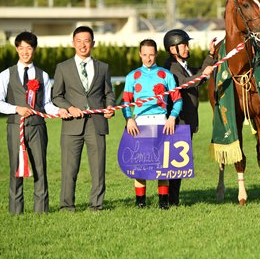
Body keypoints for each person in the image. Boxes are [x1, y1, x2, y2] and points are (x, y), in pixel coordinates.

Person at [0, 31, 69, 214]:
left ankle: (42, 209)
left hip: (38, 127)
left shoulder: (43, 75)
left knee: (40, 168)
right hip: (15, 126)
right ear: (16, 49)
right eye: (21, 48)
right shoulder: (6, 74)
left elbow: (46, 103)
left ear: (34, 50)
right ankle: (16, 210)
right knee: (16, 168)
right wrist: (16, 108)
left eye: (28, 48)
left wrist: (59, 110)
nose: (25, 52)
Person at [52, 26, 115, 212]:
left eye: (86, 41)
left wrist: (110, 106)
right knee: (69, 168)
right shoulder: (62, 68)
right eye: (79, 41)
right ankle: (66, 205)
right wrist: (69, 108)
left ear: (93, 43)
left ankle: (97, 204)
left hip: (96, 124)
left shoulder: (103, 68)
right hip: (72, 125)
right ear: (73, 43)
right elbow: (56, 96)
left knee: (98, 167)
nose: (82, 45)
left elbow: (109, 93)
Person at [122, 39, 182, 209]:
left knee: (162, 164)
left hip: (161, 121)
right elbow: (126, 101)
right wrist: (129, 119)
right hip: (139, 123)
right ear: (140, 54)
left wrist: (172, 117)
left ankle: (163, 202)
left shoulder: (166, 75)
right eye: (145, 55)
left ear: (156, 54)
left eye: (151, 55)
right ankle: (140, 202)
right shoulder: (132, 76)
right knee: (140, 163)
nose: (148, 58)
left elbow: (177, 100)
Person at [163, 29, 216, 206]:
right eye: (184, 45)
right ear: (172, 49)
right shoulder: (171, 68)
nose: (187, 48)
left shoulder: (183, 65)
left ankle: (173, 199)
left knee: (178, 164)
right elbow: (185, 83)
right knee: (174, 164)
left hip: (187, 122)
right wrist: (203, 75)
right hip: (177, 122)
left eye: (187, 44)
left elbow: (199, 73)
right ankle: (171, 200)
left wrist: (211, 55)